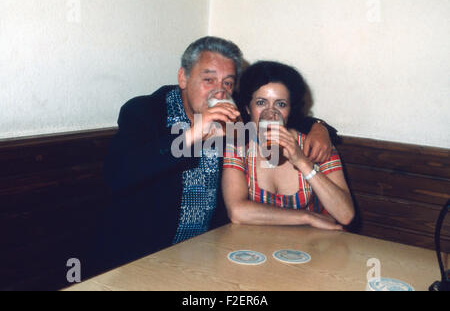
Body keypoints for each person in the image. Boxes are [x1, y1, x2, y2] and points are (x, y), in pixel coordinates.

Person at [97, 37, 338, 268]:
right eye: (209, 80)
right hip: (143, 256)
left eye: (228, 83)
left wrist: (319, 127)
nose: (219, 92)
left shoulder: (231, 119)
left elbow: (273, 114)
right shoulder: (145, 111)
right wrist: (191, 135)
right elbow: (117, 176)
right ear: (183, 77)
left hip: (209, 252)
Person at [222, 61, 354, 230]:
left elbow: (346, 215)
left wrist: (302, 162)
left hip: (314, 247)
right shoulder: (238, 147)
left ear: (290, 109)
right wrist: (307, 217)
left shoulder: (316, 144)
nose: (271, 113)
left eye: (281, 104)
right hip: (257, 245)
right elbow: (237, 212)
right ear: (248, 108)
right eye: (261, 103)